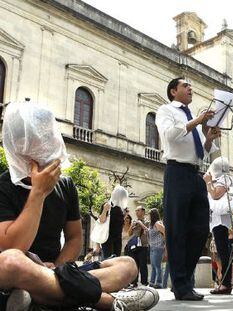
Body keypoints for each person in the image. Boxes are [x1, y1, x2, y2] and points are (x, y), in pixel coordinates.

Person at [0, 102, 158, 310]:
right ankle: (107, 302)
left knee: (126, 265)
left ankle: (41, 295)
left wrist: (57, 269)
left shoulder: (65, 185)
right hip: (17, 269)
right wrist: (38, 193)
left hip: (60, 269)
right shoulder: (4, 186)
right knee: (11, 262)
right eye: (42, 137)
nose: (50, 143)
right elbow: (12, 247)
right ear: (22, 145)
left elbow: (74, 237)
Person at [155, 77, 220, 301]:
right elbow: (170, 135)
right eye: (185, 86)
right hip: (176, 172)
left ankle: (183, 279)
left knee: (201, 228)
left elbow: (204, 151)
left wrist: (209, 138)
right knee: (176, 230)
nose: (190, 88)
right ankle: (181, 285)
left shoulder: (192, 117)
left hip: (196, 174)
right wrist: (198, 121)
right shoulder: (166, 110)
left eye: (191, 86)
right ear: (173, 91)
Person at [204, 156, 233, 295]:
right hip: (219, 220)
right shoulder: (223, 179)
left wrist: (208, 182)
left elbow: (216, 194)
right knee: (223, 251)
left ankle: (225, 284)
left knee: (224, 252)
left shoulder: (225, 178)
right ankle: (225, 283)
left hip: (221, 221)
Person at [99, 185, 128, 259]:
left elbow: (118, 223)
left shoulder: (121, 209)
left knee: (115, 261)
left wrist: (125, 215)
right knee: (108, 261)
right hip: (108, 238)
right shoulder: (107, 205)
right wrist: (105, 210)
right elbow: (101, 220)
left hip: (118, 239)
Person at [128, 206, 149, 287]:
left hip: (143, 246)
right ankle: (134, 282)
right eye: (136, 210)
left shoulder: (147, 221)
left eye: (138, 210)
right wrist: (131, 226)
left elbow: (147, 230)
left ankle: (144, 282)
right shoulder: (134, 222)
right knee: (135, 265)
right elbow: (129, 234)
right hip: (134, 246)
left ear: (143, 212)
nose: (136, 212)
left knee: (143, 264)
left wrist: (140, 223)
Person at [148, 208, 165, 289]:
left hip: (158, 247)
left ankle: (159, 283)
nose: (148, 216)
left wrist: (164, 243)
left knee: (158, 266)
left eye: (149, 214)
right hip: (152, 247)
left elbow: (165, 231)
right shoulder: (151, 224)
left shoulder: (157, 223)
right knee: (153, 266)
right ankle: (151, 282)